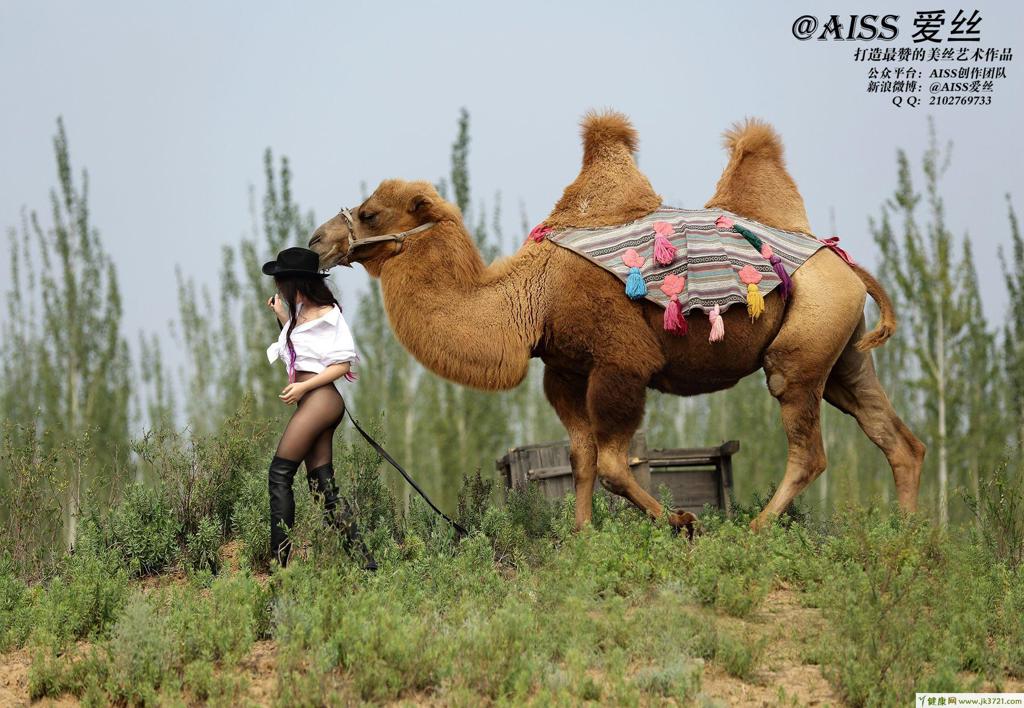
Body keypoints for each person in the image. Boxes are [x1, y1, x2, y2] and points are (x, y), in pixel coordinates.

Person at [262, 246, 374, 569]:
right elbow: (299, 353)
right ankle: (366, 564)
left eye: (281, 282)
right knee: (322, 486)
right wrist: (283, 319)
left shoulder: (329, 313)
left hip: (321, 400)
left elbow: (342, 364)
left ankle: (278, 568)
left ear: (296, 283)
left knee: (279, 474)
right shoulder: (299, 316)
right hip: (318, 402)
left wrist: (304, 387)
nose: (278, 289)